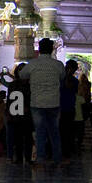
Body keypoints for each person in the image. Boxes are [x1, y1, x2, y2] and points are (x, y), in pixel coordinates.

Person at [19, 38, 65, 167]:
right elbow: (62, 76)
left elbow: (22, 75)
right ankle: (57, 158)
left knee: (40, 132)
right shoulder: (58, 65)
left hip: (37, 103)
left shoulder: (33, 64)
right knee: (54, 132)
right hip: (54, 102)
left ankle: (40, 158)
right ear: (51, 50)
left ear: (39, 49)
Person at [59, 59, 79, 163]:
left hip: (69, 110)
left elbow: (69, 86)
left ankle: (66, 153)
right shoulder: (60, 79)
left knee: (67, 133)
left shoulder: (75, 81)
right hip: (60, 109)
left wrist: (67, 76)